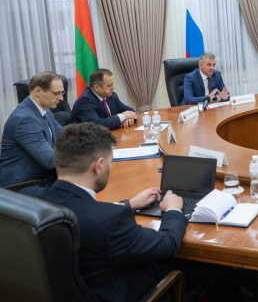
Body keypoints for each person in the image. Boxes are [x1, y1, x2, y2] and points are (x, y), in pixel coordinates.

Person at [35, 122, 189, 302]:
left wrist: (128, 204)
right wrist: (173, 209)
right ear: (99, 166)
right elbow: (168, 244)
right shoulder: (111, 221)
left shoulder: (32, 200)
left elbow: (87, 212)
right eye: (110, 162)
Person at [0, 72, 64, 188]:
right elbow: (51, 160)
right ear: (38, 91)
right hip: (24, 185)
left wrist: (92, 140)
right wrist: (88, 155)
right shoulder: (25, 120)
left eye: (62, 93)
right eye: (57, 93)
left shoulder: (45, 110)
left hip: (43, 178)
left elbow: (64, 134)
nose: (61, 98)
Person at [70, 69, 137, 130]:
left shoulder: (111, 95)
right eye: (109, 85)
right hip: (85, 138)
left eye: (113, 84)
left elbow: (131, 111)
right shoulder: (84, 101)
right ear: (96, 87)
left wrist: (129, 118)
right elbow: (97, 126)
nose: (113, 88)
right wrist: (123, 116)